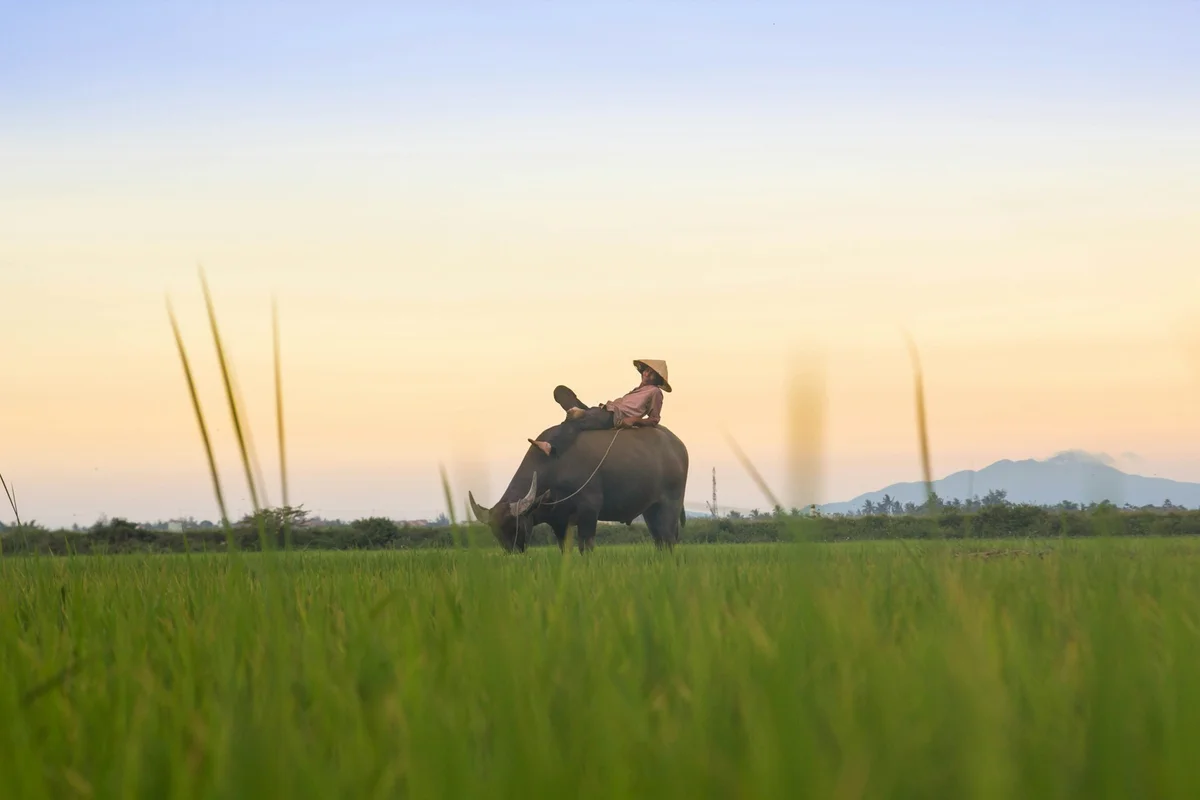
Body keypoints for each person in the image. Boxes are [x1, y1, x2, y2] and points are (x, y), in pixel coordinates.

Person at [528, 359, 671, 458]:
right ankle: (580, 412)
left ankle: (552, 447)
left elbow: (654, 419)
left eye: (652, 374)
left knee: (576, 421)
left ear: (657, 379)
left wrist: (634, 419)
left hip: (612, 416)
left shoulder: (655, 392)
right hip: (601, 410)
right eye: (647, 370)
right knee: (561, 391)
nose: (647, 374)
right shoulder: (638, 389)